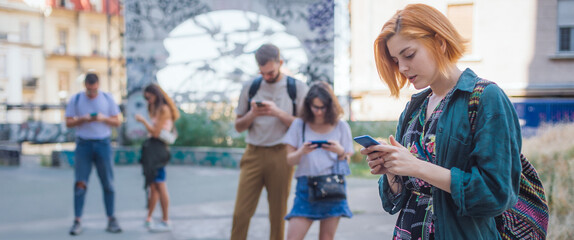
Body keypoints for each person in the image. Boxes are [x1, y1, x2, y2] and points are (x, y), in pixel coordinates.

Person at [361, 4, 522, 239]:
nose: (402, 68)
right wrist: (391, 170)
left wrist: (417, 166)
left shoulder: (486, 97)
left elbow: (496, 195)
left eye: (409, 55)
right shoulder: (413, 108)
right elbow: (398, 198)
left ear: (439, 42)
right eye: (396, 60)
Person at [231, 43, 309, 240]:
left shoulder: (297, 88)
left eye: (271, 72)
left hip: (281, 154)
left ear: (280, 63)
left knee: (278, 214)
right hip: (253, 153)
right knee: (241, 213)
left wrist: (278, 113)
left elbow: (305, 127)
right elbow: (239, 126)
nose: (267, 76)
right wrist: (252, 114)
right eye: (262, 72)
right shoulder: (250, 86)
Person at [283, 81, 354, 240]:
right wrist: (302, 151)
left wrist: (340, 151)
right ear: (308, 105)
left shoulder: (341, 126)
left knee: (326, 237)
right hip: (305, 187)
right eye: (315, 107)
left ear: (331, 106)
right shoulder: (299, 125)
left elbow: (347, 160)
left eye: (323, 107)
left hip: (332, 187)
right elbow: (289, 160)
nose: (319, 112)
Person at [65, 72, 122, 235]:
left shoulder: (107, 98)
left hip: (103, 143)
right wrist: (82, 119)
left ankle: (111, 219)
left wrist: (103, 119)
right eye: (89, 90)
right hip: (83, 144)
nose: (92, 93)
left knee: (108, 184)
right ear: (85, 86)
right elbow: (68, 122)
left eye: (94, 90)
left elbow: (117, 121)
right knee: (80, 184)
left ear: (98, 85)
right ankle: (77, 221)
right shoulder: (76, 99)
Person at [135, 83, 179, 232]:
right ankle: (149, 217)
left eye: (149, 97)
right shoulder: (155, 108)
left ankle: (166, 219)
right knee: (153, 186)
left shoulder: (164, 109)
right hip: (152, 149)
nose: (148, 100)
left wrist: (143, 121)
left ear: (156, 95)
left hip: (158, 150)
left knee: (160, 185)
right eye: (146, 98)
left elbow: (155, 132)